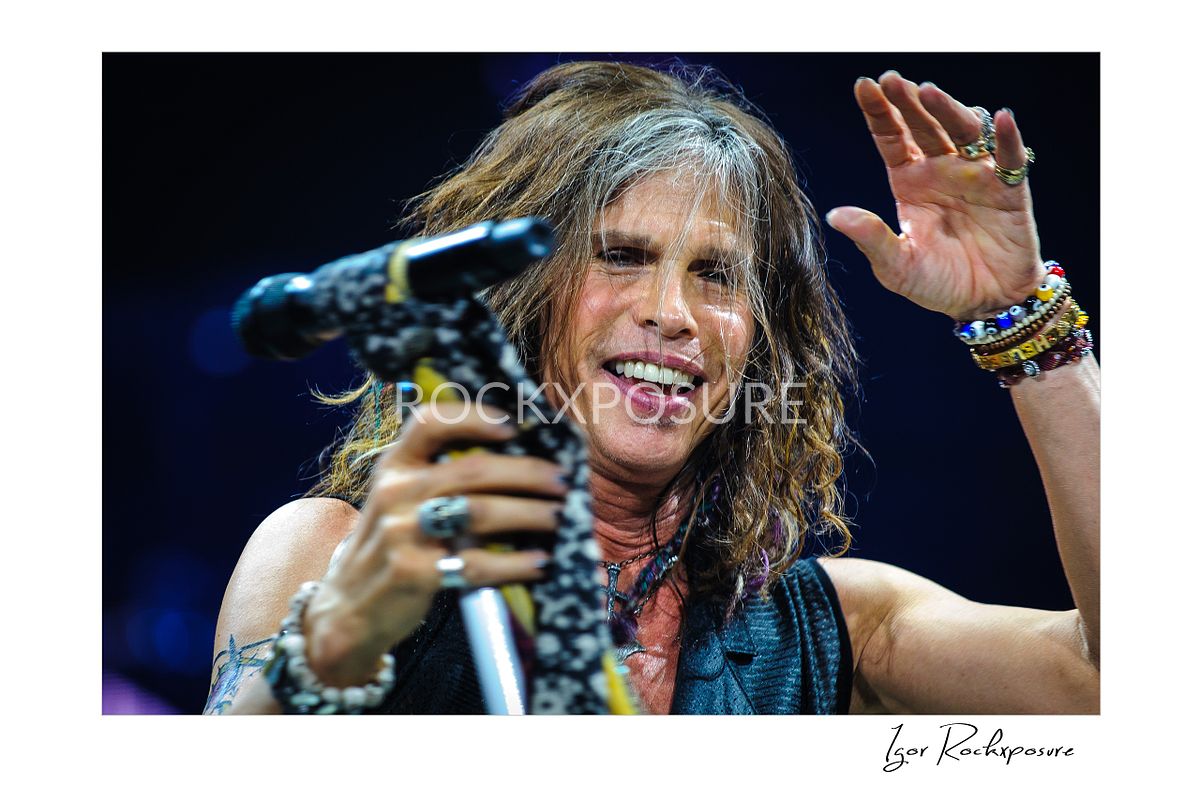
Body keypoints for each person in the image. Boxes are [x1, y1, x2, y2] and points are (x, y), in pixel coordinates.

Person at [204, 61, 1099, 715]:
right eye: (622, 255)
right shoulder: (331, 555)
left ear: (760, 342)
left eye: (717, 274)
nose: (672, 313)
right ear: (516, 294)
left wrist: (1021, 314)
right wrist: (337, 645)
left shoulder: (833, 630)